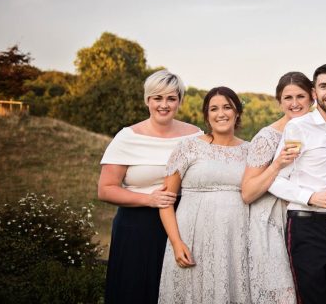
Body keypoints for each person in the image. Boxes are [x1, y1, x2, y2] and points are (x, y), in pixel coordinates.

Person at [98, 70, 202, 304]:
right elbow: (105, 188)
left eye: (171, 99)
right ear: (147, 100)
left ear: (180, 101)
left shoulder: (195, 136)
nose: (164, 105)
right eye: (157, 98)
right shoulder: (127, 137)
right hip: (136, 227)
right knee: (135, 291)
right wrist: (149, 200)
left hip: (184, 225)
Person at [157, 86, 250, 303]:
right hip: (192, 237)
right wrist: (176, 242)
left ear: (237, 112)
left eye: (227, 107)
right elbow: (165, 200)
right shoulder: (188, 147)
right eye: (214, 109)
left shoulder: (250, 150)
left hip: (234, 240)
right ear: (207, 116)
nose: (221, 114)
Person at [268, 64, 326, 304]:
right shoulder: (298, 127)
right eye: (324, 86)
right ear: (315, 93)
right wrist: (311, 196)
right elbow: (275, 180)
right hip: (306, 226)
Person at [241, 71, 314, 304]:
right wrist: (277, 165)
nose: (295, 104)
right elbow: (248, 192)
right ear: (279, 101)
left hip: (307, 217)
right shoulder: (267, 138)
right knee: (281, 293)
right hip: (271, 222)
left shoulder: (319, 132)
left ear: (312, 98)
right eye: (288, 98)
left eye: (300, 96)